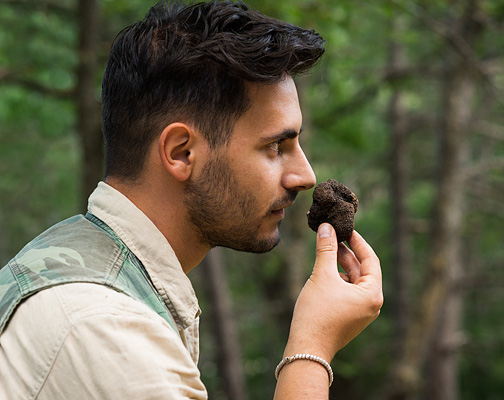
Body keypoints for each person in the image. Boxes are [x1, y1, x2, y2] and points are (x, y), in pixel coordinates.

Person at [0, 1, 383, 398]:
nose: (305, 176)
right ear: (182, 152)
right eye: (275, 146)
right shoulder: (105, 329)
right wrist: (312, 347)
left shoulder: (73, 266)